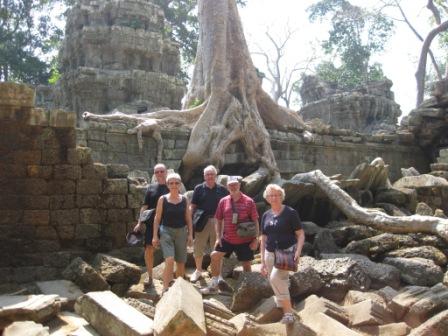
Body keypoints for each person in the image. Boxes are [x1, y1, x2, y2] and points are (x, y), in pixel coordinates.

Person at [200, 176, 259, 294]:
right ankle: (214, 285)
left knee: (246, 265)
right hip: (227, 238)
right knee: (215, 256)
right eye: (230, 185)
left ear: (239, 185)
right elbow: (218, 219)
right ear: (227, 187)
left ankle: (249, 290)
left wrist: (256, 239)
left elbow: (255, 221)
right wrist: (218, 237)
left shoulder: (249, 201)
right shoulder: (223, 201)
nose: (233, 187)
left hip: (245, 240)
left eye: (235, 184)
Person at [260, 184, 305, 325]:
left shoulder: (291, 213)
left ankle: (288, 313)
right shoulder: (266, 215)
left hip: (286, 253)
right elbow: (263, 238)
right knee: (278, 280)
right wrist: (261, 261)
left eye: (277, 195)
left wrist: (297, 252)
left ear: (282, 196)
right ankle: (283, 303)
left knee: (276, 278)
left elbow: (301, 234)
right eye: (271, 195)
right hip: (269, 253)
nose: (274, 197)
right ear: (267, 198)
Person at [152, 173, 193, 293]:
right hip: (166, 232)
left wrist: (190, 234)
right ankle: (165, 288)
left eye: (176, 183)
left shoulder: (185, 199)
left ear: (180, 184)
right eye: (171, 183)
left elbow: (188, 218)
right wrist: (155, 236)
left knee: (181, 263)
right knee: (169, 260)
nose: (174, 185)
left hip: (181, 232)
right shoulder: (162, 199)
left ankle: (179, 288)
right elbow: (157, 218)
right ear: (167, 185)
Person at [190, 165, 229, 282]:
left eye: (212, 174)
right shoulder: (198, 188)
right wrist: (189, 220)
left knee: (217, 249)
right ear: (204, 176)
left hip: (219, 222)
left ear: (215, 175)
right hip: (202, 221)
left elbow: (228, 206)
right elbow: (193, 206)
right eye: (207, 174)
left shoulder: (222, 189)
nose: (210, 176)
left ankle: (218, 274)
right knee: (198, 247)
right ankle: (198, 270)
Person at [134, 163, 168, 288]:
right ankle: (150, 276)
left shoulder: (172, 185)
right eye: (157, 172)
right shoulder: (151, 188)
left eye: (161, 171)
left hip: (168, 223)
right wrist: (139, 222)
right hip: (151, 223)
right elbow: (145, 206)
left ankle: (168, 277)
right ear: (154, 173)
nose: (159, 174)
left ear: (166, 172)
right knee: (149, 249)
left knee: (168, 250)